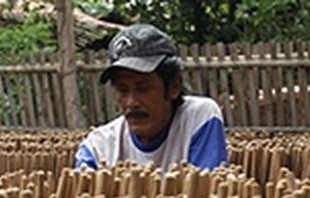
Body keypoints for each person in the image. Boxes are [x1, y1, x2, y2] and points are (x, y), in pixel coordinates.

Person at [74, 24, 228, 172]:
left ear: (174, 86)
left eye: (142, 89)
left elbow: (208, 191)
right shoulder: (98, 148)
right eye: (122, 90)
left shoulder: (198, 118)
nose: (131, 102)